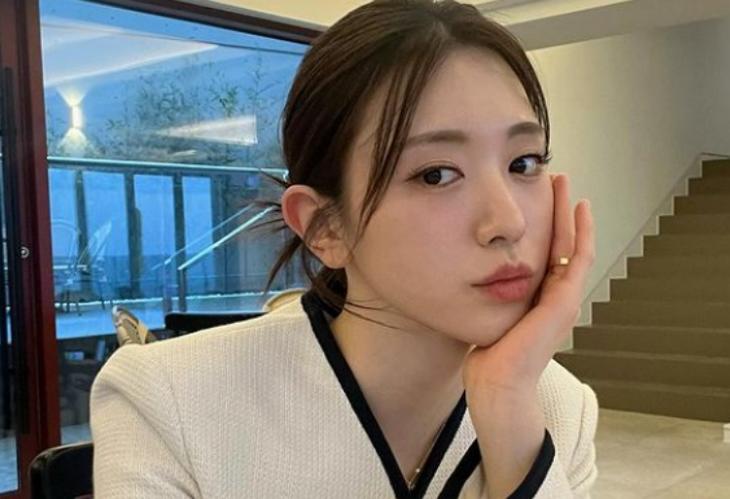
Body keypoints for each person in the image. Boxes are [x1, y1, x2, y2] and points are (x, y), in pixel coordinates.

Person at [90, 1, 598, 497]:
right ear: (325, 226)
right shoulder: (169, 402)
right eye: (436, 174)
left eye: (524, 163)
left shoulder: (557, 406)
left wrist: (508, 410)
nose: (508, 222)